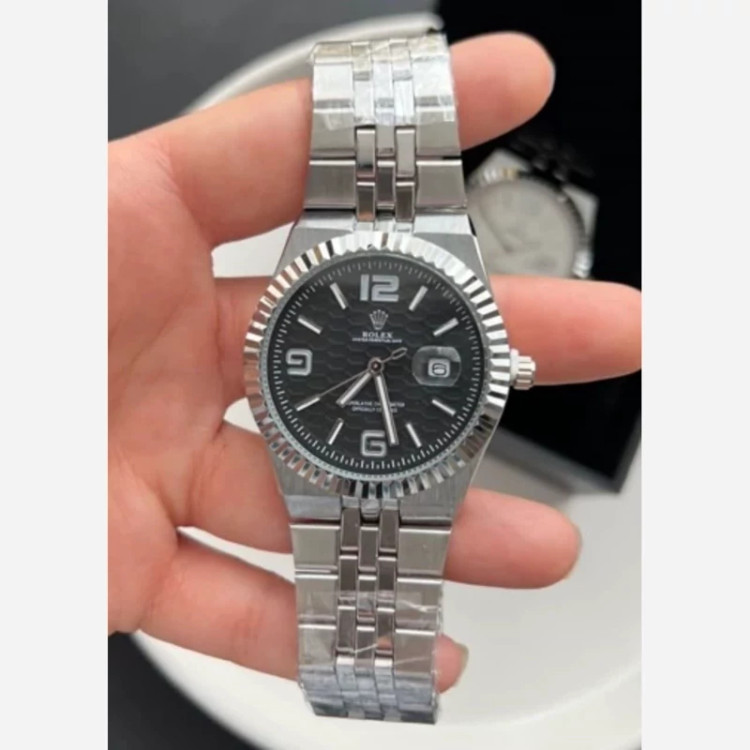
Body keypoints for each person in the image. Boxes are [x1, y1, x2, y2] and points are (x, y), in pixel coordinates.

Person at [108, 33, 641, 691]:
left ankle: (371, 682)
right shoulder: (285, 358)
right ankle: (366, 681)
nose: (376, 366)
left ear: (504, 368)